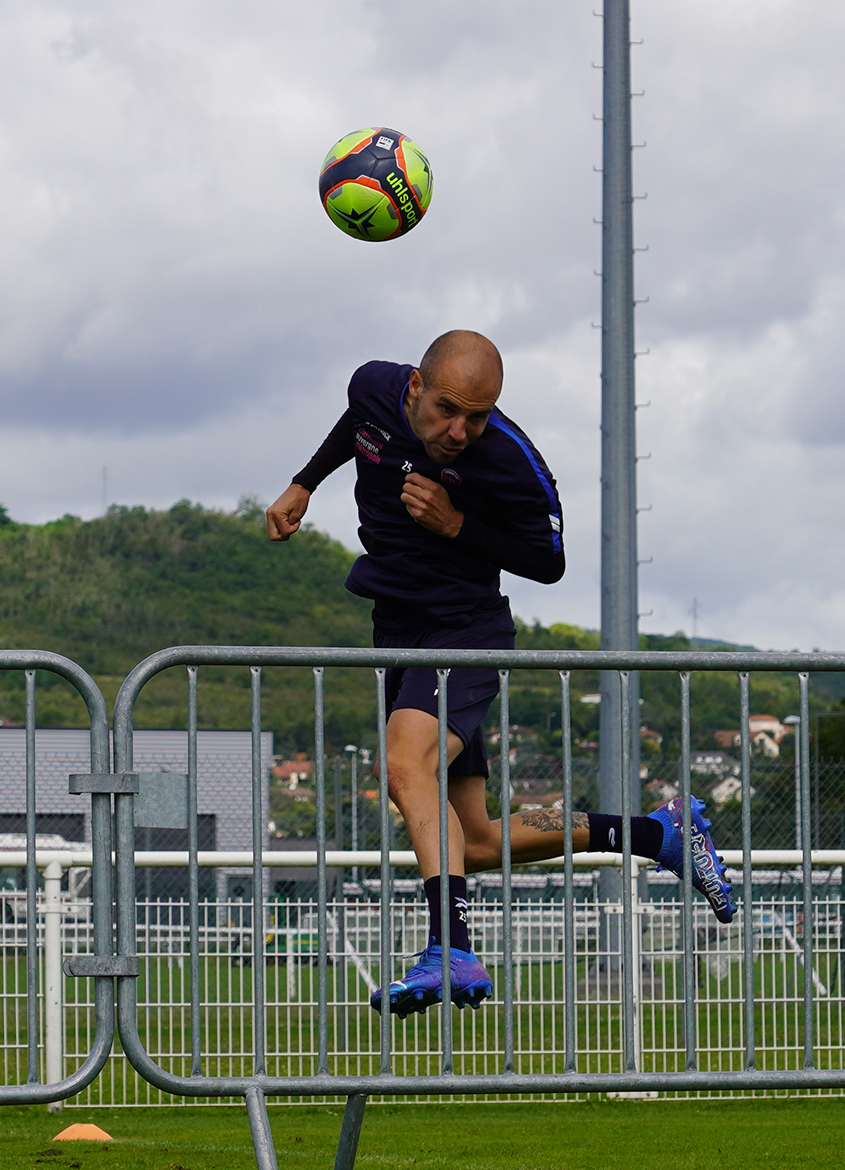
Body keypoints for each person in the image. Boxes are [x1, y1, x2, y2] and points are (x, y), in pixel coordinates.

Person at [266, 330, 735, 1018]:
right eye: (447, 410)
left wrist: (457, 525)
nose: (459, 432)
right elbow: (358, 426)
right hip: (398, 633)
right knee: (477, 841)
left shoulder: (511, 459)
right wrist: (305, 482)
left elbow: (549, 562)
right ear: (415, 388)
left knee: (404, 766)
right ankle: (658, 834)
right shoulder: (373, 386)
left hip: (464, 633)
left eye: (477, 417)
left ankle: (451, 949)